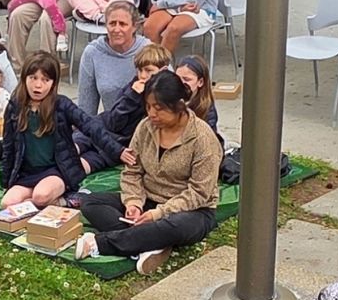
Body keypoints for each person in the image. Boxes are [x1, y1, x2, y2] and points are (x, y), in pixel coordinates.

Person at [69, 70, 223, 275]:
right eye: (148, 107)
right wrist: (133, 202)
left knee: (174, 226)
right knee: (90, 202)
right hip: (149, 199)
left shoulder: (202, 138)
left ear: (178, 106)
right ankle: (152, 242)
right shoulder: (145, 127)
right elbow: (132, 170)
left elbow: (199, 192)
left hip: (192, 211)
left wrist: (158, 213)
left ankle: (101, 243)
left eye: (159, 109)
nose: (151, 114)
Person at [0, 53, 121, 211]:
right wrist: (6, 182)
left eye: (45, 80)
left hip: (56, 169)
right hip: (27, 172)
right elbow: (8, 147)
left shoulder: (61, 104)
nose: (38, 85)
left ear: (53, 83)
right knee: (7, 203)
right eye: (33, 78)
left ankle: (65, 200)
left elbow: (90, 126)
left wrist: (118, 150)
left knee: (41, 196)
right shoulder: (15, 106)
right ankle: (46, 202)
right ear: (24, 79)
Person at [74, 0, 146, 115]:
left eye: (123, 24)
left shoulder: (148, 50)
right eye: (112, 23)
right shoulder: (93, 53)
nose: (117, 30)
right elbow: (86, 108)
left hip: (146, 127)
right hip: (113, 125)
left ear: (134, 27)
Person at [100, 43, 172, 142]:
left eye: (148, 70)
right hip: (116, 138)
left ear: (163, 70)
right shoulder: (132, 88)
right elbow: (114, 123)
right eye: (140, 70)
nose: (142, 75)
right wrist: (131, 98)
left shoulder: (169, 94)